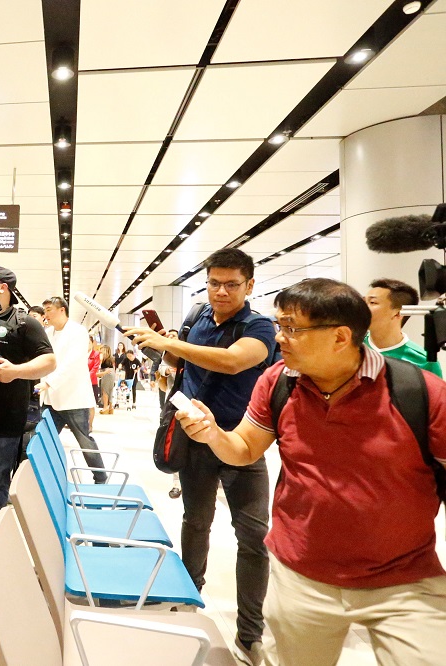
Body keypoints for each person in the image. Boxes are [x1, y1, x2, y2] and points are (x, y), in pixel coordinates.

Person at [177, 278, 446, 666]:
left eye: (291, 328)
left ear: (340, 336)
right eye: (278, 326)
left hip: (404, 582)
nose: (279, 338)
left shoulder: (417, 392)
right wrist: (214, 435)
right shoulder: (278, 383)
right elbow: (245, 448)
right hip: (301, 576)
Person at [126, 248, 277, 665]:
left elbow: (232, 362)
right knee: (196, 521)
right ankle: (189, 598)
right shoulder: (197, 317)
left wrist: (170, 343)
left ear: (249, 285)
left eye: (231, 284)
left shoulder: (260, 326)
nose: (221, 291)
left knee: (252, 535)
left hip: (243, 439)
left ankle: (250, 632)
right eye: (214, 283)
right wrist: (164, 351)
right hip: (195, 438)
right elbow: (176, 361)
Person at [0, 267, 55, 550]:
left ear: (2, 288)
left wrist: (16, 371)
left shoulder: (25, 323)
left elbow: (49, 361)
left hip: (5, 416)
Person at [38, 296, 108, 484]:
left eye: (49, 309)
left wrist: (49, 382)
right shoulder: (48, 332)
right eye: (44, 310)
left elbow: (72, 363)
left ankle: (100, 478)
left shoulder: (78, 331)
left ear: (62, 310)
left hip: (74, 399)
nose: (46, 314)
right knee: (44, 440)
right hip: (51, 399)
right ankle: (44, 477)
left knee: (84, 441)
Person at [365, 278, 442, 377]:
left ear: (398, 313)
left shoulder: (425, 362)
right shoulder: (351, 347)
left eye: (372, 302)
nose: (362, 307)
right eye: (363, 301)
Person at [98, 344, 116, 414]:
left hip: (106, 373)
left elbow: (100, 364)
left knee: (105, 390)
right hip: (111, 373)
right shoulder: (111, 358)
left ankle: (105, 407)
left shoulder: (103, 358)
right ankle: (110, 407)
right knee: (110, 390)